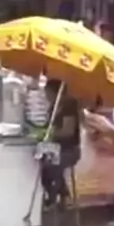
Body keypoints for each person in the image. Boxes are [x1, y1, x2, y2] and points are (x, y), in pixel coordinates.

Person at [40, 80, 82, 208]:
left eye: (48, 93)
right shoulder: (53, 108)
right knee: (42, 166)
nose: (47, 97)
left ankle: (59, 196)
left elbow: (68, 131)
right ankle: (60, 194)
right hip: (55, 148)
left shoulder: (70, 107)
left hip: (70, 150)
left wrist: (51, 134)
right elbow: (47, 127)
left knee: (53, 166)